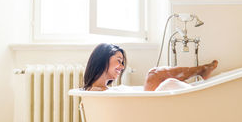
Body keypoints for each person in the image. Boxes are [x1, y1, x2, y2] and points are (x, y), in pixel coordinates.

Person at [83, 43, 218, 91]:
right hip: (141, 114)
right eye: (119, 60)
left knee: (156, 75)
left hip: (143, 110)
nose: (122, 66)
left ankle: (201, 78)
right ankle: (201, 78)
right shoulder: (95, 92)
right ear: (102, 59)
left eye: (122, 62)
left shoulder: (104, 90)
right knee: (163, 80)